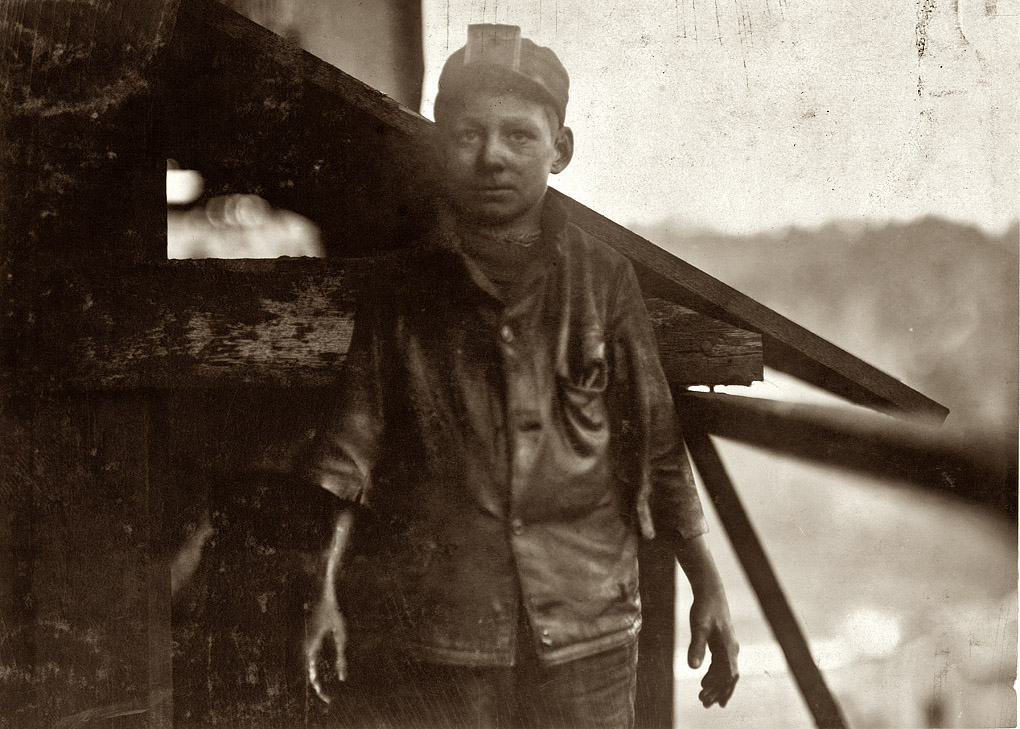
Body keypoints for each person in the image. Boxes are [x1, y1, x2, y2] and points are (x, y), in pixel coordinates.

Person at [304, 24, 739, 728]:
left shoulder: (604, 280)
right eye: (468, 135)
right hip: (444, 630)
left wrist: (708, 582)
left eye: (519, 136)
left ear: (559, 150)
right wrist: (319, 593)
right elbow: (347, 456)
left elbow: (658, 445)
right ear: (440, 146)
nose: (492, 158)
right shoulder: (398, 291)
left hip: (588, 625)